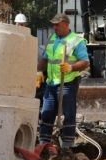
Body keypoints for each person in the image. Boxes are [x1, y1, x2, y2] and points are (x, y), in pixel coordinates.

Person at [36, 13, 89, 150]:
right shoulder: (52, 38)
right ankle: (44, 144)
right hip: (51, 82)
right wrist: (39, 71)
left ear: (66, 24)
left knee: (69, 114)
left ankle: (67, 146)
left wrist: (71, 67)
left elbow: (85, 62)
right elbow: (45, 58)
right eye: (53, 25)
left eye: (57, 25)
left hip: (67, 83)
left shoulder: (76, 40)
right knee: (46, 113)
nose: (54, 27)